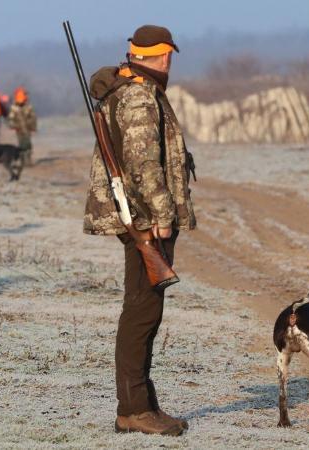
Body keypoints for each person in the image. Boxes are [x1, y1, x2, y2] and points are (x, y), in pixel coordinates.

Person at [84, 25, 196, 436]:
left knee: (144, 308)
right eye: (169, 56)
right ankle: (133, 409)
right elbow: (144, 164)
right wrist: (163, 214)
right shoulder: (137, 96)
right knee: (141, 312)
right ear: (164, 56)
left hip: (142, 215)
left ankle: (141, 403)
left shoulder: (134, 89)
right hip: (146, 218)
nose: (169, 63)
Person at [7, 86, 37, 166]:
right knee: (23, 144)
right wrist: (14, 126)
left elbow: (33, 118)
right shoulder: (14, 108)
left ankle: (27, 160)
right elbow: (10, 120)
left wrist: (33, 127)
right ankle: (24, 160)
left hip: (26, 129)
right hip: (20, 129)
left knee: (27, 144)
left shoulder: (26, 107)